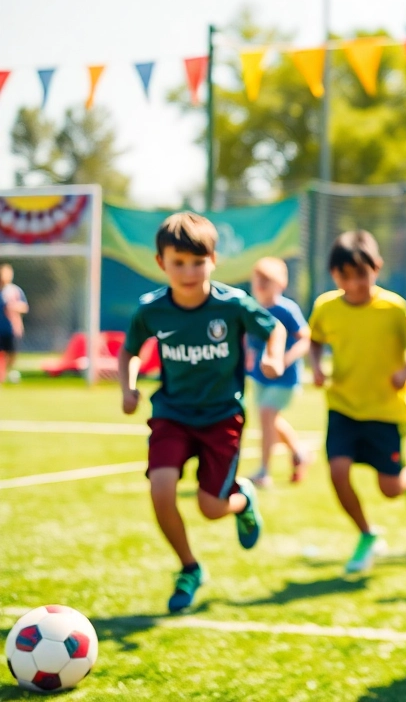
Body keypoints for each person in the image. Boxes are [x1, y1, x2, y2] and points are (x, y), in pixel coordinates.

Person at [116, 212, 282, 613]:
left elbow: (273, 328)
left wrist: (273, 357)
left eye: (198, 261)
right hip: (172, 412)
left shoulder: (232, 304)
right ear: (161, 263)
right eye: (178, 262)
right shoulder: (151, 310)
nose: (189, 271)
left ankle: (242, 498)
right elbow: (129, 351)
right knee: (161, 490)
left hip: (222, 415)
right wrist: (129, 386)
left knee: (211, 508)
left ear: (213, 259)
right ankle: (189, 567)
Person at [308, 230, 406, 575]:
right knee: (337, 470)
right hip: (343, 405)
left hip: (385, 409)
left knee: (390, 488)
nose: (354, 284)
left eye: (361, 274)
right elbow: (314, 340)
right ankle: (366, 533)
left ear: (376, 267)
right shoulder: (325, 307)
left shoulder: (393, 307)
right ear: (334, 275)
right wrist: (317, 367)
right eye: (344, 276)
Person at [245, 257, 313, 488]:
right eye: (258, 279)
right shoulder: (251, 308)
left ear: (280, 283)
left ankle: (264, 472)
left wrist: (284, 359)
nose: (262, 284)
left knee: (267, 415)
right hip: (259, 377)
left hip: (284, 379)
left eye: (268, 280)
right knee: (270, 420)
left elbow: (305, 339)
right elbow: (247, 338)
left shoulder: (286, 309)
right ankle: (299, 453)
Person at [0, 263, 28, 383]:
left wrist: (13, 307)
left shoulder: (15, 291)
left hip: (12, 328)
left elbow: (24, 307)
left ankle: (6, 372)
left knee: (12, 353)